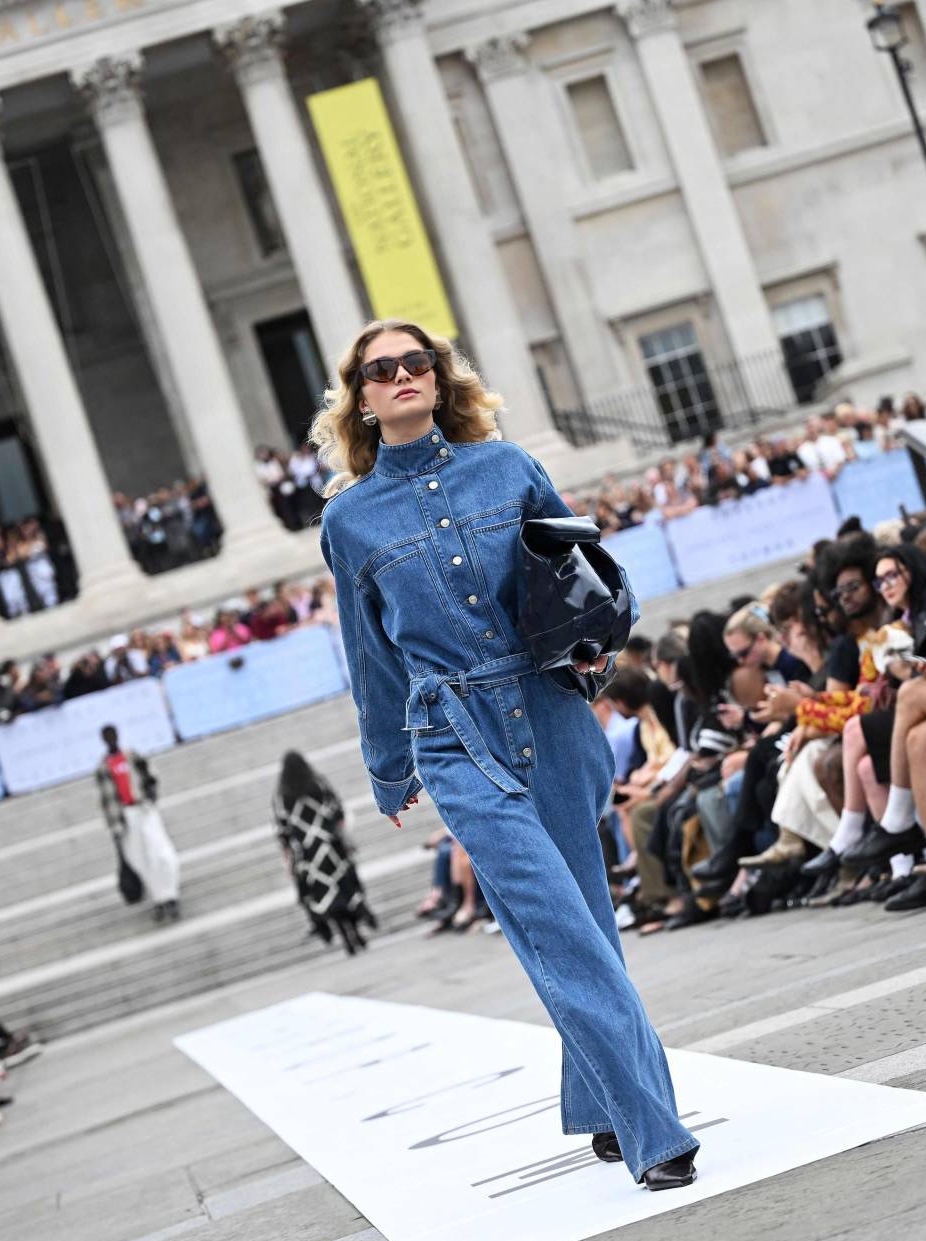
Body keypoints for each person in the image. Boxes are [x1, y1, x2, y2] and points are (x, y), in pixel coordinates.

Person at [314, 317, 697, 1190]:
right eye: (382, 369)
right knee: (556, 926)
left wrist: (598, 647)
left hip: (552, 711)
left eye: (417, 361)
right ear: (362, 398)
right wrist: (390, 766)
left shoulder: (511, 467)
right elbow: (369, 654)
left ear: (439, 377)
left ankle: (599, 1102)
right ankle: (654, 1127)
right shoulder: (349, 519)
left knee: (587, 920)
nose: (402, 374)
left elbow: (586, 573)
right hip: (454, 734)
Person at [272, 751, 376, 955]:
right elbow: (337, 811)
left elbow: (282, 831)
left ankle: (341, 934)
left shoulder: (281, 796)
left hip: (308, 855)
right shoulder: (318, 784)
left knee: (322, 894)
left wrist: (289, 861)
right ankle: (356, 931)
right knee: (346, 888)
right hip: (332, 847)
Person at [95, 725, 181, 922]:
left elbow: (151, 776)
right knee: (139, 858)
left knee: (161, 853)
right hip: (126, 814)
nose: (111, 740)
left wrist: (150, 797)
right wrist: (114, 825)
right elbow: (106, 799)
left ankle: (170, 893)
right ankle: (159, 898)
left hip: (144, 808)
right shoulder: (103, 767)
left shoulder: (132, 756)